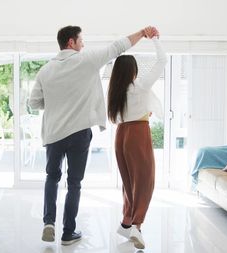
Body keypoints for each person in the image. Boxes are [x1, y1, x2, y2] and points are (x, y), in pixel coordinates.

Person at [29, 25, 154, 246]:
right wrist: (142, 33)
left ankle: (48, 222)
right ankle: (68, 233)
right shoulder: (86, 61)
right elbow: (119, 46)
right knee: (74, 183)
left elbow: (34, 103)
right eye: (81, 40)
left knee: (52, 177)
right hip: (79, 133)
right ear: (71, 42)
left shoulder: (45, 70)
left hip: (54, 134)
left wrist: (57, 100)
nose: (83, 44)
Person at [107, 26, 167, 249]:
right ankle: (137, 227)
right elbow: (162, 61)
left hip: (121, 135)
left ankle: (126, 222)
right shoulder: (138, 86)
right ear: (132, 71)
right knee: (144, 182)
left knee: (129, 182)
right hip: (138, 134)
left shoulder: (115, 91)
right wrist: (155, 40)